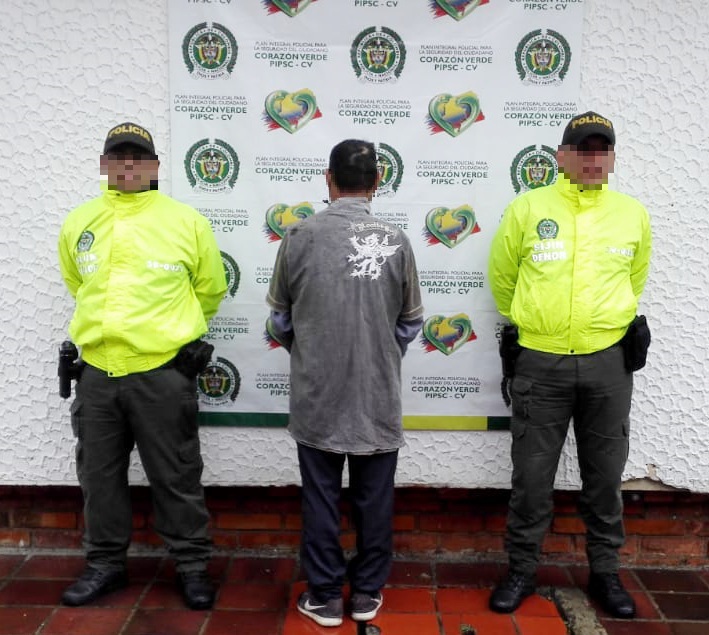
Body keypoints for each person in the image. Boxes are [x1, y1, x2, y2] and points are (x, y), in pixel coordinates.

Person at [488, 111, 652, 619]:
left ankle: (605, 572)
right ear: (562, 156)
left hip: (608, 366)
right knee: (531, 479)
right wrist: (539, 326)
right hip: (541, 364)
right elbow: (503, 280)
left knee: (604, 478)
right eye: (584, 149)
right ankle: (521, 570)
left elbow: (635, 278)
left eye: (602, 150)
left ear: (612, 158)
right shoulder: (527, 209)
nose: (593, 158)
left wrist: (600, 327)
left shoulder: (632, 214)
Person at [57, 122, 227, 610]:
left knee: (176, 474)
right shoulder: (80, 223)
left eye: (137, 157)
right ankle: (105, 565)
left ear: (154, 165)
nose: (127, 165)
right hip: (97, 374)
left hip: (161, 374)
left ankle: (192, 567)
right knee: (99, 478)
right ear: (105, 164)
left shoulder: (186, 222)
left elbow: (210, 289)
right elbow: (77, 284)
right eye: (118, 157)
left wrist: (172, 334)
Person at [266, 139, 423, 627]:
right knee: (374, 499)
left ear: (328, 179)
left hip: (317, 394)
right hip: (377, 395)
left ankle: (326, 596)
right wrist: (379, 354)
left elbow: (279, 321)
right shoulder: (396, 240)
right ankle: (367, 592)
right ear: (377, 182)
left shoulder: (298, 236)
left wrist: (312, 353)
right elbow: (411, 322)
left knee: (320, 496)